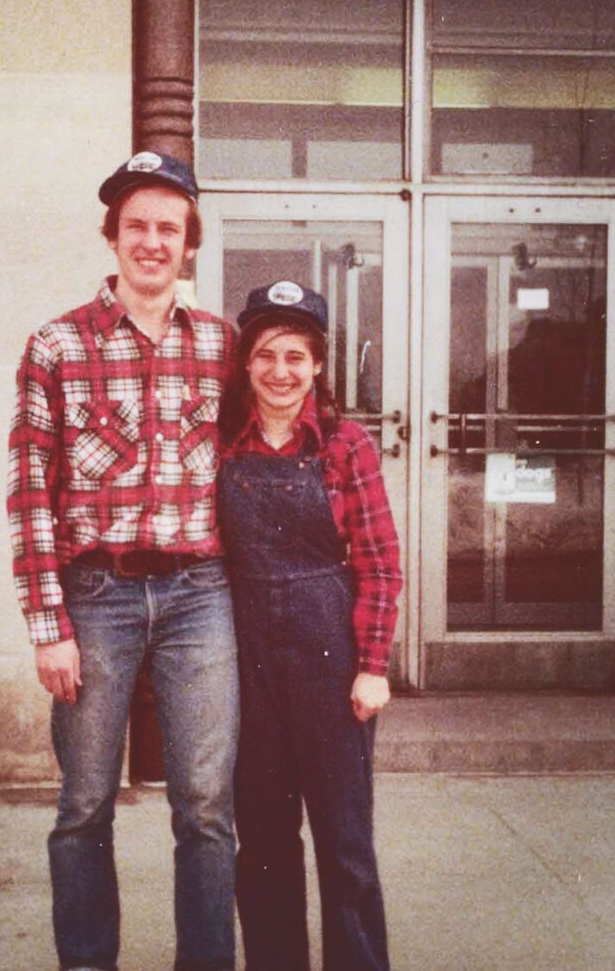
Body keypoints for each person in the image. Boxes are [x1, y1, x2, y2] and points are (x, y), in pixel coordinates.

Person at [7, 151, 240, 971]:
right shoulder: (56, 345)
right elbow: (29, 488)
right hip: (94, 593)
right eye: (136, 225)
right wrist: (48, 625)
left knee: (207, 807)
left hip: (200, 595)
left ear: (188, 244)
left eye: (167, 228)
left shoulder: (224, 346)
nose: (151, 241)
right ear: (112, 237)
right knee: (84, 804)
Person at [217, 280, 403, 971]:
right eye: (265, 354)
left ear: (317, 364)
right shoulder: (224, 446)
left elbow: (381, 563)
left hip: (332, 665)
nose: (279, 372)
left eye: (295, 356)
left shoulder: (344, 446)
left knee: (344, 841)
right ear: (245, 363)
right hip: (248, 664)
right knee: (262, 840)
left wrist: (372, 666)